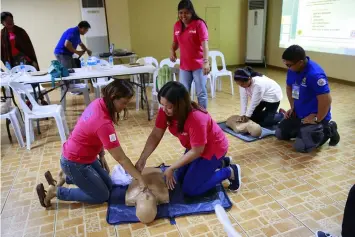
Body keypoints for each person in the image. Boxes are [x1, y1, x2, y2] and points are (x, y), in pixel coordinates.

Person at [35, 80, 147, 207]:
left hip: (84, 156)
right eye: (124, 103)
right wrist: (140, 178)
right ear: (113, 97)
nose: (124, 107)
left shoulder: (99, 102)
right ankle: (56, 191)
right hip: (74, 162)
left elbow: (95, 135)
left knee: (109, 185)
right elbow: (121, 158)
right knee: (102, 195)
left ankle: (66, 177)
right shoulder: (103, 123)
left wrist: (102, 155)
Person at [135, 81, 241, 197]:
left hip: (212, 149)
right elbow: (156, 135)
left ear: (180, 104)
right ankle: (221, 163)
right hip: (195, 147)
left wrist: (171, 168)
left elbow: (197, 151)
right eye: (162, 105)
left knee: (190, 189)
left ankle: (230, 171)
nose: (164, 110)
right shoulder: (165, 111)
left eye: (169, 106)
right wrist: (142, 159)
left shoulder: (196, 118)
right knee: (179, 178)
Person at [276, 45, 340, 153]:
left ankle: (328, 129)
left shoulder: (315, 75)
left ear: (300, 62)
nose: (287, 67)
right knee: (279, 134)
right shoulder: (293, 69)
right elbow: (289, 87)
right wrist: (293, 107)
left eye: (289, 65)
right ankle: (303, 131)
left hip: (315, 117)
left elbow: (326, 100)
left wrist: (317, 118)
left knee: (301, 147)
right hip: (300, 113)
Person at [170, 0, 210, 109]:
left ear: (191, 12)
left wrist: (206, 62)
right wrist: (172, 50)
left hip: (199, 65)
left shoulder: (199, 24)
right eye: (180, 12)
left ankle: (203, 116)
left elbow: (205, 45)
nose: (183, 15)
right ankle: (186, 115)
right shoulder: (177, 25)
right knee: (183, 93)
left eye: (186, 12)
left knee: (201, 93)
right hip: (185, 66)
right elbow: (175, 42)